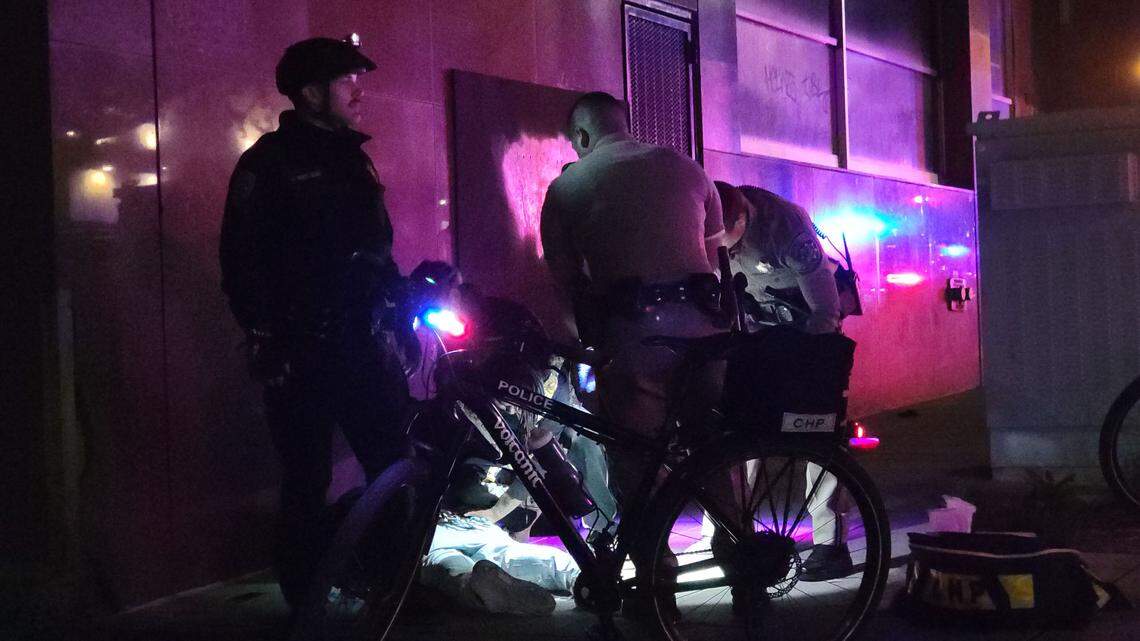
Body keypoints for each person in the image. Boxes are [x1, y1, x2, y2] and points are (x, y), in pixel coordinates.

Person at [219, 36, 411, 608]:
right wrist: (265, 335)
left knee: (392, 466)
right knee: (306, 478)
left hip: (364, 342)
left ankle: (393, 589)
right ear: (309, 93)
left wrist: (399, 295)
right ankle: (305, 603)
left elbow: (373, 248)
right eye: (347, 81)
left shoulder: (353, 157)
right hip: (301, 350)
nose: (360, 92)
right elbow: (240, 259)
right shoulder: (268, 164)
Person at [539, 91, 726, 607]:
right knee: (715, 451)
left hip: (633, 337)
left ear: (581, 136)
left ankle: (657, 587)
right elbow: (712, 253)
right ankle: (745, 566)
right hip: (704, 334)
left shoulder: (567, 186)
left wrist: (582, 349)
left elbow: (565, 282)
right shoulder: (688, 167)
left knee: (636, 463)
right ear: (625, 124)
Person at [715, 181, 853, 581]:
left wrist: (805, 366)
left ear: (742, 220)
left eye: (727, 240)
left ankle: (830, 544)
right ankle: (729, 532)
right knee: (739, 432)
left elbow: (825, 309)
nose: (723, 251)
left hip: (807, 332)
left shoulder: (785, 228)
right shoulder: (707, 226)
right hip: (755, 333)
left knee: (816, 432)